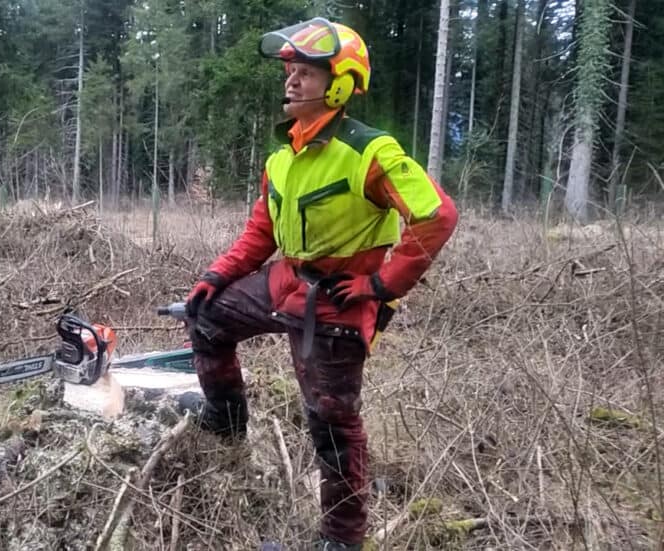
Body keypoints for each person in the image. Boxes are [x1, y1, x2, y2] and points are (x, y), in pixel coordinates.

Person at [182, 17, 459, 550]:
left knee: (331, 423)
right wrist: (219, 274)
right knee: (207, 318)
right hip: (287, 281)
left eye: (305, 73)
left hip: (337, 300)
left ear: (340, 83)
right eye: (289, 71)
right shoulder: (283, 156)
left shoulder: (372, 152)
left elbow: (436, 215)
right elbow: (262, 230)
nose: (291, 81)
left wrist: (382, 283)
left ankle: (342, 540)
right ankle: (225, 427)